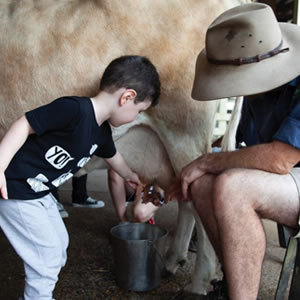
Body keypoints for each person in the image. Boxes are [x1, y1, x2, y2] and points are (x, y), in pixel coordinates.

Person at [167, 3, 300, 300]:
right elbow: (250, 151)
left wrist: (206, 161)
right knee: (202, 185)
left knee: (233, 186)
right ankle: (233, 284)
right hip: (291, 177)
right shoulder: (260, 90)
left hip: (291, 168)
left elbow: (280, 158)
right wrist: (187, 171)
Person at [0, 55, 160, 300]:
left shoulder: (102, 131)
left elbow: (114, 158)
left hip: (40, 193)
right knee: (47, 256)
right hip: (16, 189)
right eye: (139, 111)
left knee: (60, 245)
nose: (136, 117)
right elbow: (24, 124)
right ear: (127, 97)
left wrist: (132, 177)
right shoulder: (74, 109)